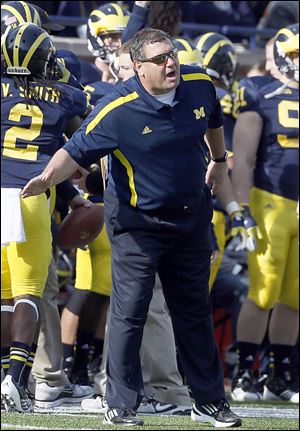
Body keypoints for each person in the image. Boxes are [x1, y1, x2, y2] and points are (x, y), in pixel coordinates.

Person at [21, 28, 242, 428]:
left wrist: (220, 158)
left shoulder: (197, 83)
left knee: (194, 311)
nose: (170, 63)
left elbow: (213, 118)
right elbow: (74, 151)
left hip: (191, 215)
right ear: (138, 68)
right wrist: (46, 179)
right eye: (159, 59)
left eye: (171, 54)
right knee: (130, 311)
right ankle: (120, 404)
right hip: (138, 224)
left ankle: (209, 401)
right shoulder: (116, 108)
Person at [1, 23, 89, 413]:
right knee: (29, 293)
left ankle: (4, 376)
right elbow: (79, 144)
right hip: (30, 193)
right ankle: (16, 380)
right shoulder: (66, 96)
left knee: (4, 296)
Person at [231, 23, 299, 403]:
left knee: (295, 295)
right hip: (270, 199)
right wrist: (241, 206)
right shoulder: (260, 93)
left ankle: (280, 376)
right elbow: (242, 156)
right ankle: (245, 372)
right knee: (263, 290)